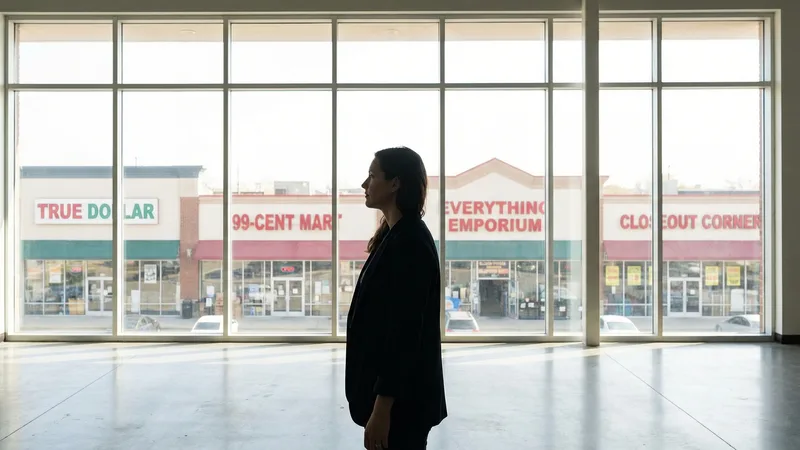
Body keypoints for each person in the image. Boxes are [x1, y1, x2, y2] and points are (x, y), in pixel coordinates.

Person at [345, 146, 447, 450]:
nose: (365, 184)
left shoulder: (410, 243)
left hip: (402, 407)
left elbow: (404, 334)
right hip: (396, 403)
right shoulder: (394, 236)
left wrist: (382, 410)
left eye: (372, 175)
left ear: (395, 183)